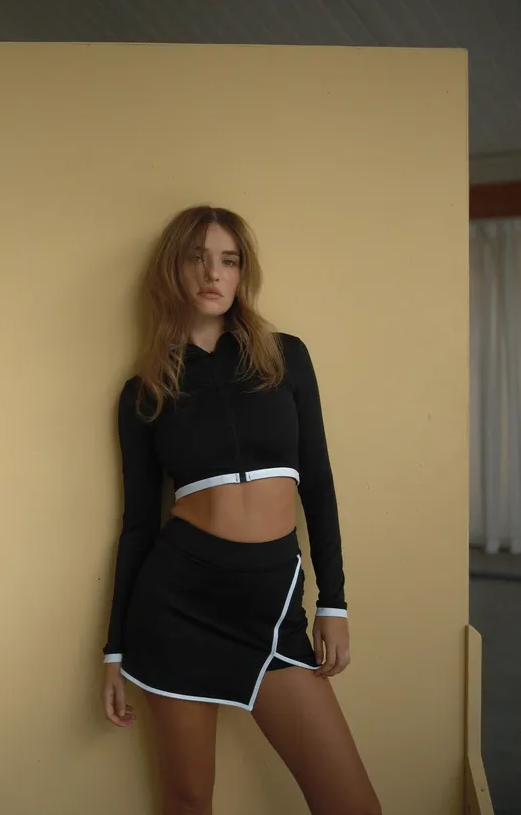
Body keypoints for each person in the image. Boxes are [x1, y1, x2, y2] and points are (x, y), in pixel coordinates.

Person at [102, 205, 381, 815]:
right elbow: (139, 526)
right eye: (197, 258)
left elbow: (319, 484)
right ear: (171, 270)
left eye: (228, 260)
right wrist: (114, 651)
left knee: (352, 804)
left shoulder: (284, 356)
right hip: (178, 608)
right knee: (187, 801)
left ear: (242, 273)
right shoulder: (145, 390)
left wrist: (333, 602)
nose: (213, 273)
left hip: (272, 608)